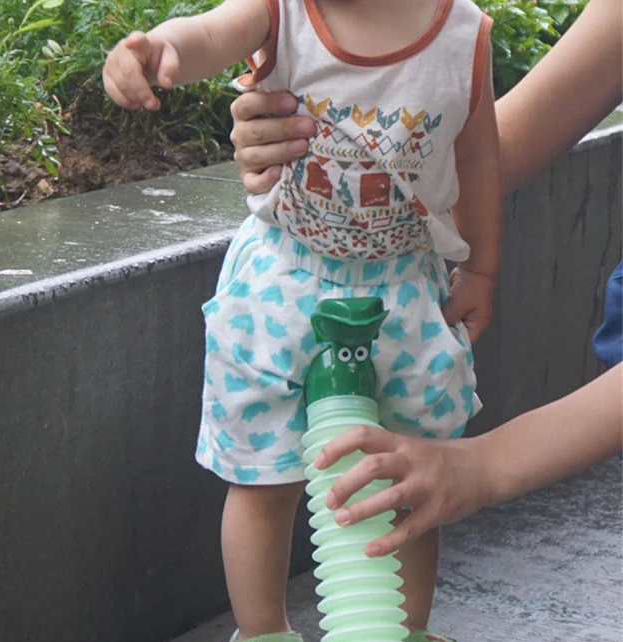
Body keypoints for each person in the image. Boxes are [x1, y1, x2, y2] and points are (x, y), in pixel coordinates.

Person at [104, 0, 502, 642]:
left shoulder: (461, 34)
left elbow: (480, 154)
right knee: (265, 477)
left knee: (411, 478)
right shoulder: (282, 10)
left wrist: (479, 267)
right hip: (286, 279)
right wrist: (159, 50)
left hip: (404, 288)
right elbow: (210, 33)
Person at [227, 0, 622, 556]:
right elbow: (472, 149)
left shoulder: (462, 28)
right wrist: (314, 142)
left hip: (411, 300)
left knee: (407, 498)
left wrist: (483, 467)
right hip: (305, 271)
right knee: (274, 484)